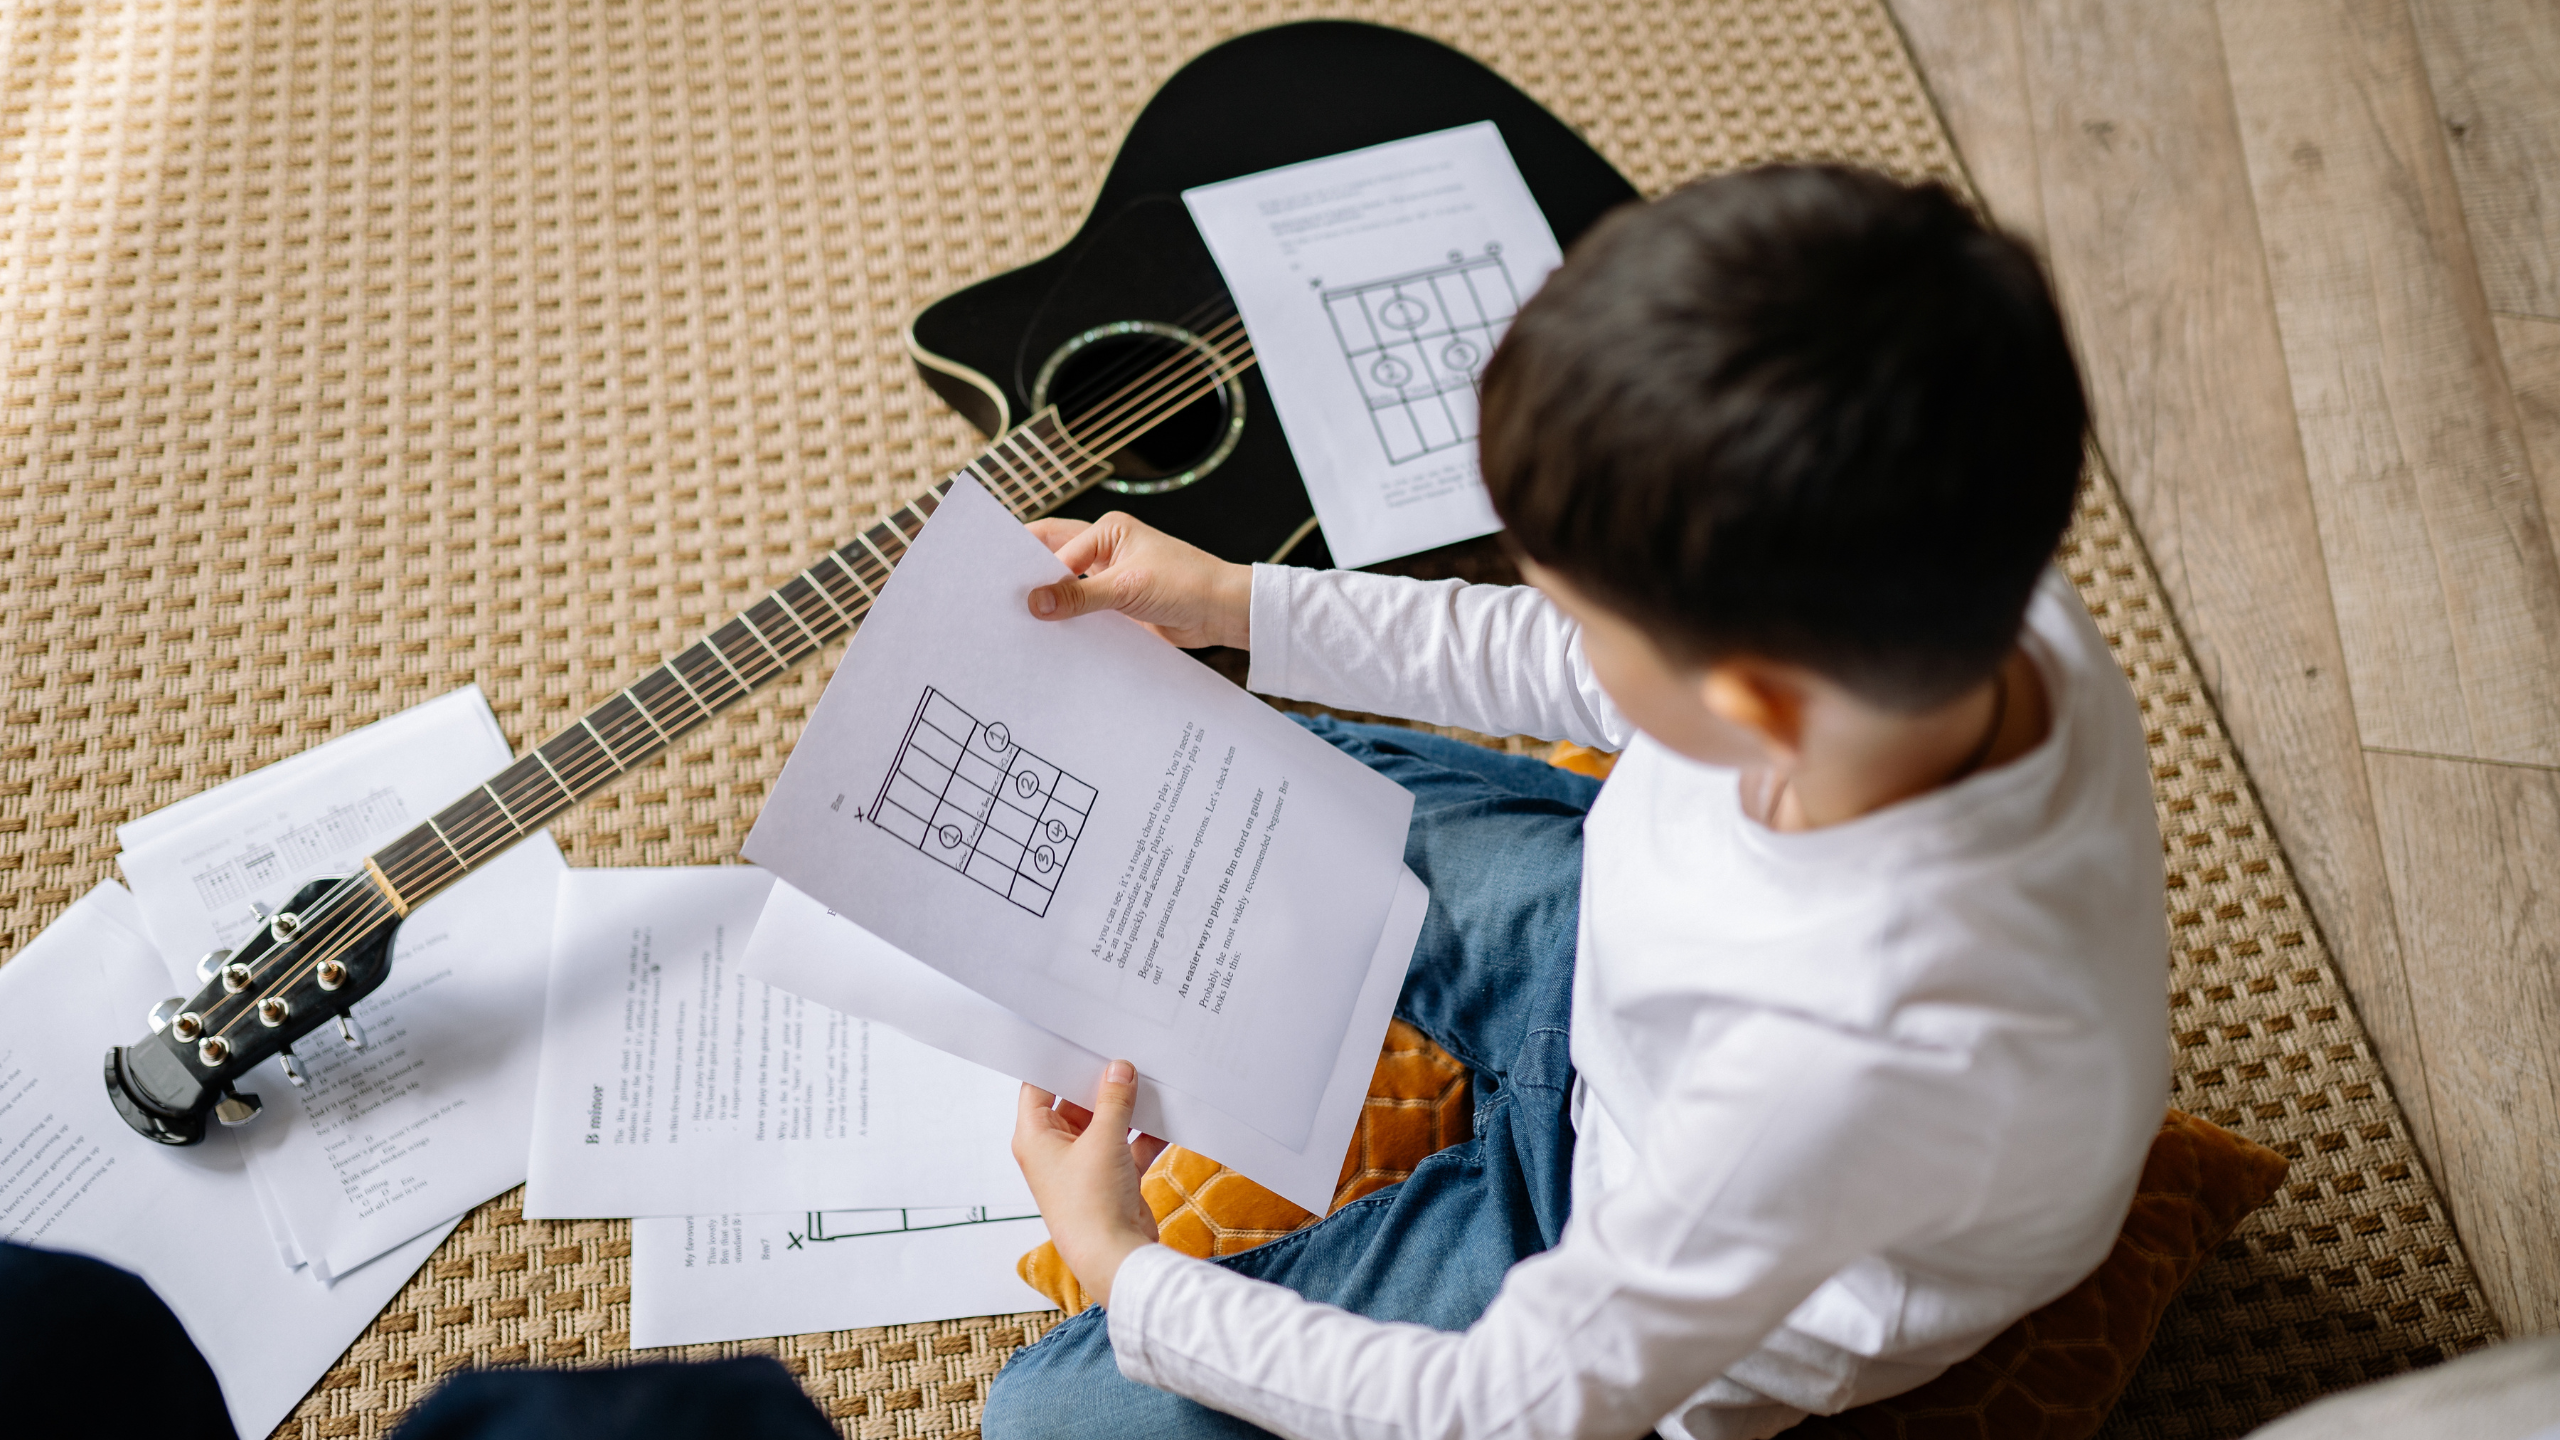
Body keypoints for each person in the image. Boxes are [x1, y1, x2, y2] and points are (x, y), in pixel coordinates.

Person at [987, 164, 2168, 1440]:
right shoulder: (1948, 594)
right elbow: (1560, 659)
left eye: (1586, 619)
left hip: (1607, 1220)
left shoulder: (1851, 1052)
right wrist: (1237, 601)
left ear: (1751, 704)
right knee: (1222, 758)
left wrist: (1123, 1267)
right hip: (1616, 978)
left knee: (1047, 1420)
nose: (1562, 639)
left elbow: (1514, 1403)